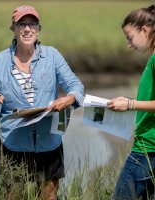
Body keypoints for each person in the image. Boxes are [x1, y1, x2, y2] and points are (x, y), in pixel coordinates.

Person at [0, 5, 84, 200]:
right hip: (12, 143)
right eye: (22, 24)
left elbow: (76, 86)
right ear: (13, 28)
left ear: (38, 28)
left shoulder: (52, 56)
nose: (27, 29)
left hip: (49, 142)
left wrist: (69, 98)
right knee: (11, 196)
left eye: (32, 24)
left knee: (49, 197)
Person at [106, 4, 155, 200]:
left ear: (144, 29)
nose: (129, 44)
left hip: (147, 149)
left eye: (130, 38)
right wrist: (129, 101)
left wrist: (130, 105)